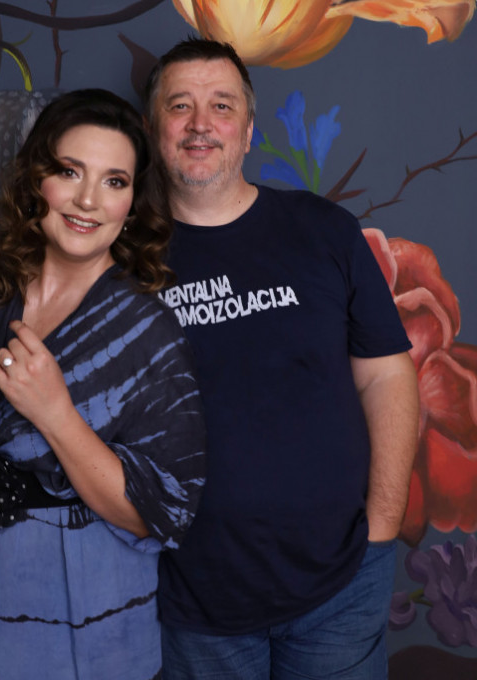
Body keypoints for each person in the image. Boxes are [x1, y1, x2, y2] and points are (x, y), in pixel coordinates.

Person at [0, 88, 206, 680]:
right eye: (70, 171)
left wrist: (55, 412)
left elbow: (157, 510)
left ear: (132, 202)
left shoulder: (146, 331)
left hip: (86, 585)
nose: (87, 200)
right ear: (36, 178)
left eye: (114, 181)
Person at [144, 39, 420, 679]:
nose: (200, 124)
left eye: (221, 105)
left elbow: (386, 373)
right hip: (192, 599)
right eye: (180, 106)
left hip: (340, 584)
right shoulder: (123, 258)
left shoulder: (322, 229)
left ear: (247, 130)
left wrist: (383, 526)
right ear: (155, 129)